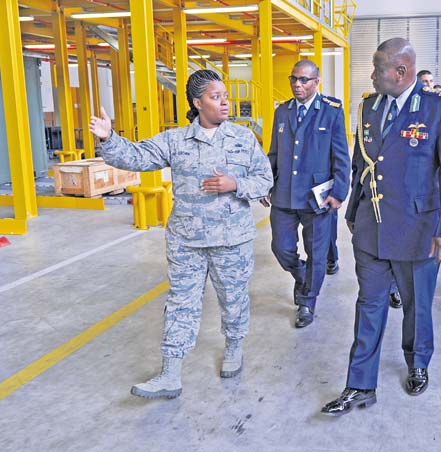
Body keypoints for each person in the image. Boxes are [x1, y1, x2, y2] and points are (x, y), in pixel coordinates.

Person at [89, 70, 273, 399]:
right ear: (197, 102)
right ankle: (170, 373)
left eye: (225, 95)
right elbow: (137, 156)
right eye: (216, 97)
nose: (225, 102)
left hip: (231, 240)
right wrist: (108, 139)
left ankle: (233, 346)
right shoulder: (175, 140)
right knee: (180, 304)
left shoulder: (242, 139)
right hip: (187, 240)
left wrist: (236, 184)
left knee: (233, 301)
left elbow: (265, 179)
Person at [321, 38, 441, 416]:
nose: (371, 76)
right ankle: (359, 384)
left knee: (417, 305)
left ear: (400, 72)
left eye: (377, 69)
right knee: (369, 304)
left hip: (419, 229)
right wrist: (353, 212)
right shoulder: (369, 107)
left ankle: (417, 361)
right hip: (371, 227)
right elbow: (362, 164)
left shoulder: (440, 107)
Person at [262, 60, 350, 328]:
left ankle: (307, 302)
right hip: (285, 194)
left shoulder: (332, 111)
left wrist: (339, 192)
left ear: (317, 81)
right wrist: (265, 183)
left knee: (317, 252)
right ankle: (302, 276)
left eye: (304, 80)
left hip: (317, 198)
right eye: (293, 79)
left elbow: (341, 156)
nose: (297, 85)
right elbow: (274, 152)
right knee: (281, 248)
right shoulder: (283, 112)